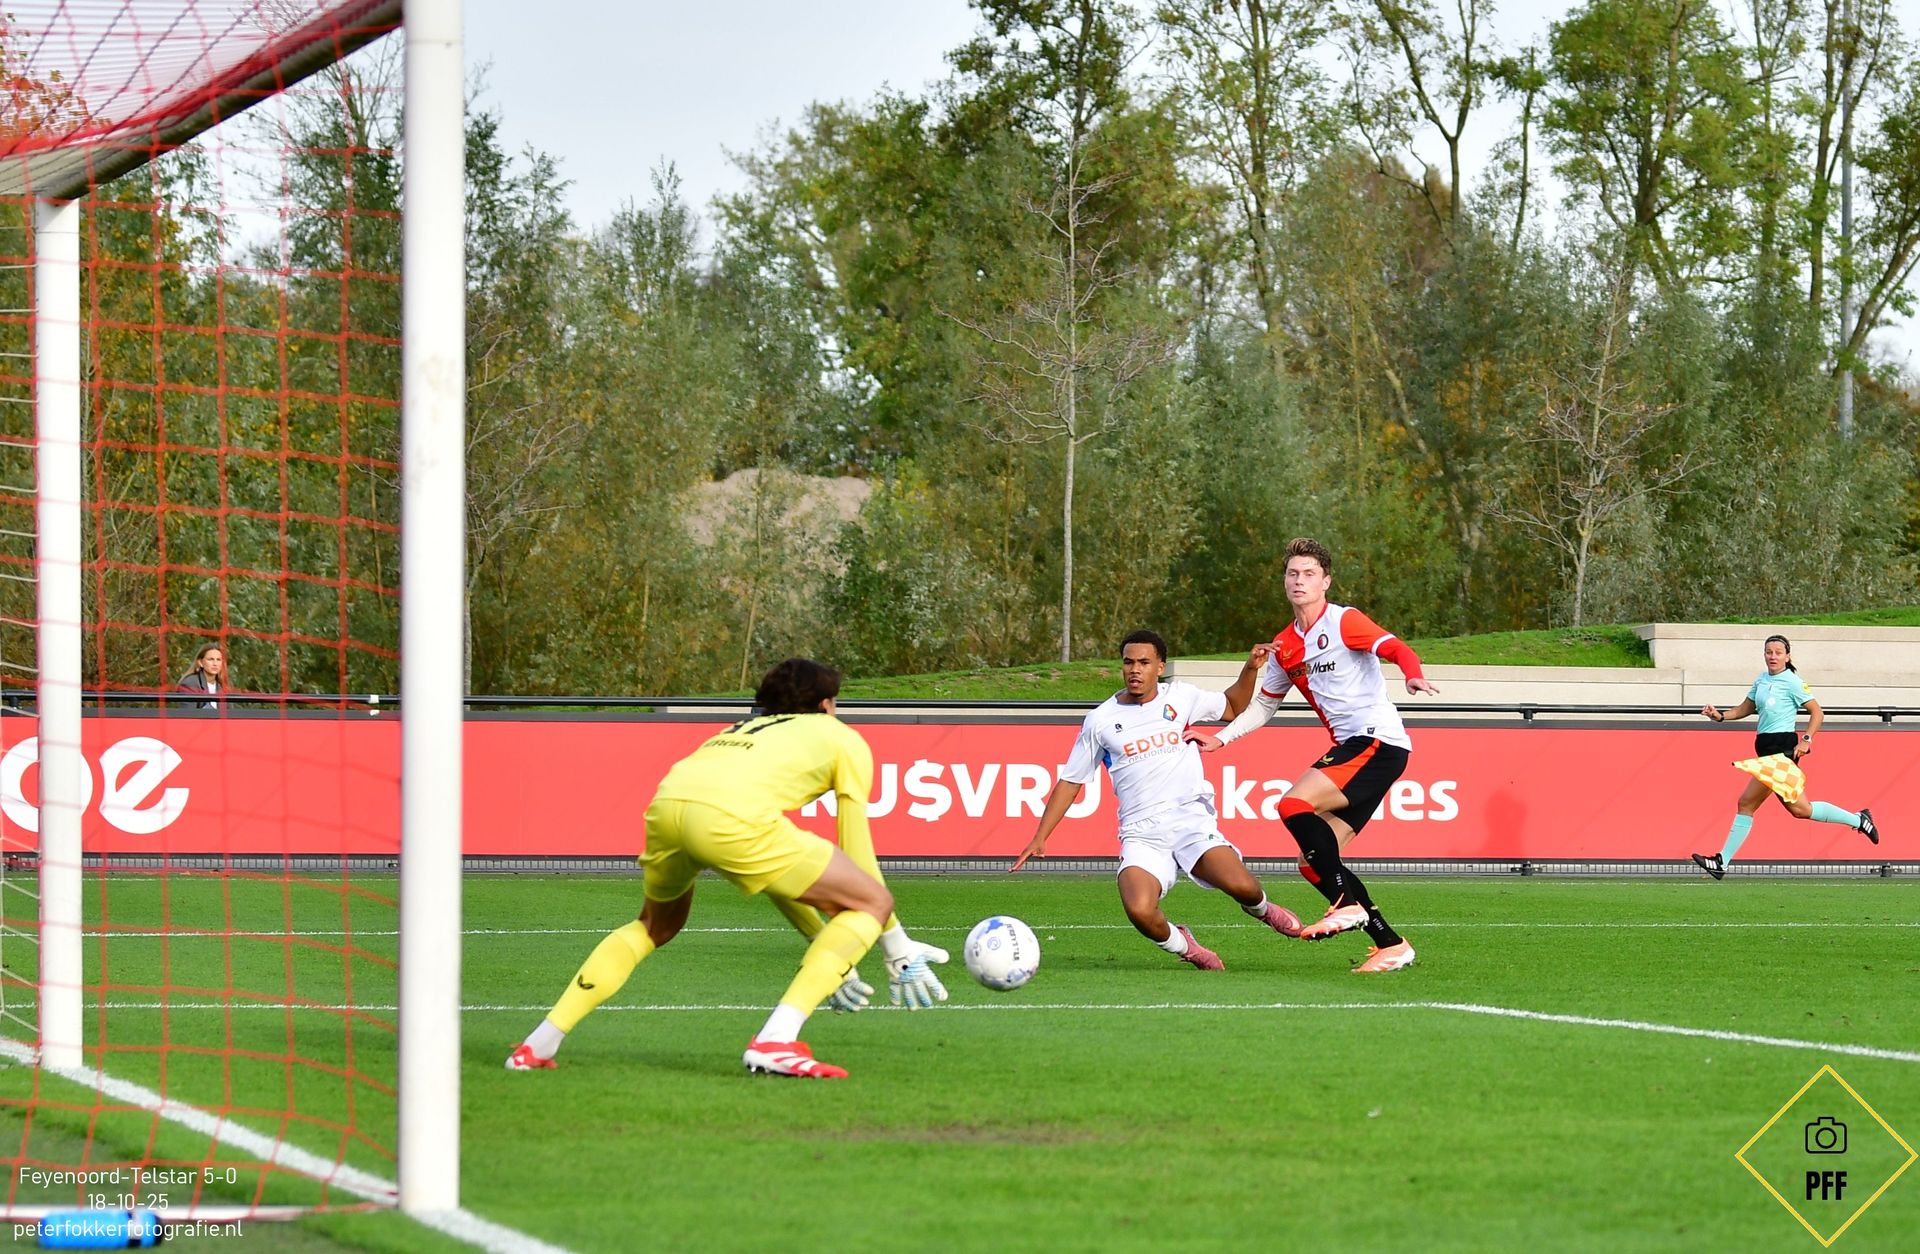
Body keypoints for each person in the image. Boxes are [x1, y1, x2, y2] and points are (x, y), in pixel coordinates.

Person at [506, 658, 950, 1079]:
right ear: (824, 704)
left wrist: (824, 944)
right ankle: (776, 1040)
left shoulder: (739, 729)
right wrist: (896, 947)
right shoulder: (840, 736)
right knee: (872, 901)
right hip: (730, 818)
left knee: (654, 926)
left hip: (667, 806)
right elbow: (858, 855)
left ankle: (537, 1045)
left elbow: (779, 877)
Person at [1187, 537, 1436, 974]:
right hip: (1356, 747)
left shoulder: (1344, 621)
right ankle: (1391, 944)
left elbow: (1396, 648)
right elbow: (1264, 706)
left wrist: (1412, 675)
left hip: (1376, 741)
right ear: (1284, 581)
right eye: (1292, 573)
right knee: (1313, 861)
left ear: (1326, 582)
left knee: (1292, 805)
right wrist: (1221, 739)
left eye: (1309, 574)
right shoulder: (1284, 645)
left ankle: (1346, 904)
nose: (1299, 581)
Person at [1013, 630, 1304, 971]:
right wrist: (1040, 836)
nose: (1135, 669)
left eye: (1144, 662)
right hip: (1142, 833)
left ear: (1160, 667)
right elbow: (1071, 781)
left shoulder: (1181, 697)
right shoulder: (1100, 720)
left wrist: (1251, 668)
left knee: (1244, 887)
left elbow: (1232, 707)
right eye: (1128, 662)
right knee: (1139, 910)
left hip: (1190, 821)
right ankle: (1187, 947)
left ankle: (1263, 910)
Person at [1690, 634, 1881, 879]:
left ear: (1787, 656)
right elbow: (1745, 708)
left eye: (1778, 653)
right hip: (1767, 754)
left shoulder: (1792, 682)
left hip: (1780, 753)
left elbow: (1817, 712)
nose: (1773, 656)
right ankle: (1858, 820)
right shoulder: (1761, 679)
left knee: (1748, 804)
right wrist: (1720, 716)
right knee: (1800, 809)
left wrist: (1806, 740)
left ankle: (1721, 862)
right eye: (1769, 652)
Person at [175, 644, 227, 709]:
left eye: (218, 660)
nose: (215, 664)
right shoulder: (190, 683)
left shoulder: (223, 685)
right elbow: (187, 713)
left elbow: (231, 712)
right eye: (210, 659)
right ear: (200, 662)